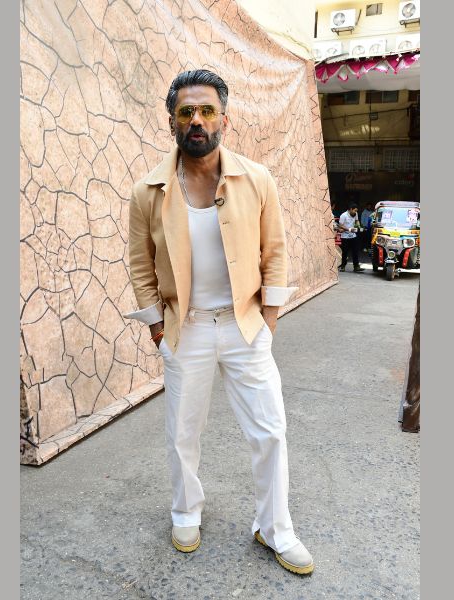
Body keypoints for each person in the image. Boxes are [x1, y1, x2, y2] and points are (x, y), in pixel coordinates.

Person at [124, 69, 314, 575]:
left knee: (270, 431)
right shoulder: (148, 191)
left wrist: (268, 320)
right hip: (184, 329)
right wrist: (157, 328)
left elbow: (275, 253)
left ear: (224, 119)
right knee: (183, 432)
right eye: (186, 112)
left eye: (207, 110)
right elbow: (141, 265)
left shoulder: (257, 180)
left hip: (244, 325)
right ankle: (186, 512)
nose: (197, 120)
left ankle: (275, 528)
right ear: (172, 121)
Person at [337, 202, 364, 272]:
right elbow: (340, 225)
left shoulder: (355, 214)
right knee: (345, 252)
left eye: (356, 211)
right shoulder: (343, 215)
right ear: (350, 209)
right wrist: (349, 229)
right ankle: (343, 266)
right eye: (355, 210)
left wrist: (359, 226)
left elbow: (357, 221)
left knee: (355, 251)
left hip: (353, 235)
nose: (356, 212)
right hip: (345, 237)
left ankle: (356, 266)